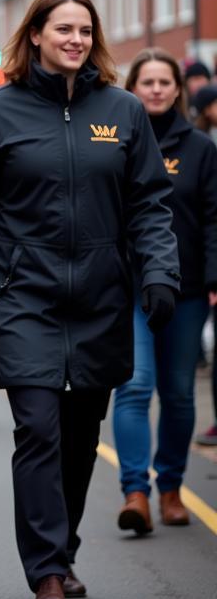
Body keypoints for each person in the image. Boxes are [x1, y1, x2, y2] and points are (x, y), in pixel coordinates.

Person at [0, 0, 179, 599]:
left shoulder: (122, 113)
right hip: (22, 298)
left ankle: (62, 550)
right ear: (36, 35)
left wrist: (159, 273)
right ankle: (44, 571)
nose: (75, 40)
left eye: (84, 30)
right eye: (63, 28)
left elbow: (151, 203)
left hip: (101, 297)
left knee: (78, 437)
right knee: (37, 429)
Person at [112, 49, 217, 531]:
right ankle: (135, 492)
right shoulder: (112, 139)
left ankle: (171, 486)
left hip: (187, 289)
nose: (155, 89)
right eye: (147, 81)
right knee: (134, 387)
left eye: (164, 81)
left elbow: (214, 220)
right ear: (132, 87)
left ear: (178, 89)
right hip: (125, 287)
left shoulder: (200, 149)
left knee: (178, 393)